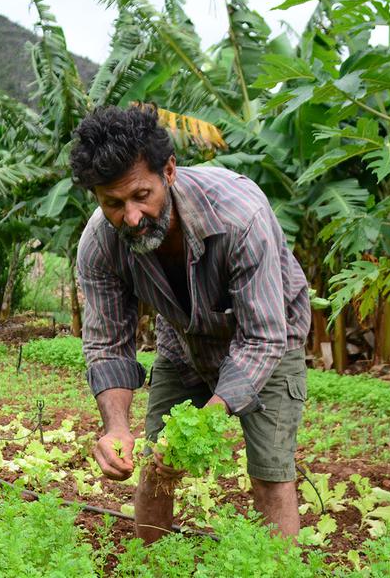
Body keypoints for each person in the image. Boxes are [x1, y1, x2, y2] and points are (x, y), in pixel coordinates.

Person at [71, 105, 311, 543]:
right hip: (182, 340)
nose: (131, 217)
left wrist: (200, 429)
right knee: (155, 466)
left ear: (169, 171)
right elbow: (108, 346)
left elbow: (261, 338)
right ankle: (151, 566)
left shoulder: (239, 216)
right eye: (113, 203)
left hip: (269, 341)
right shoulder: (99, 245)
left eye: (141, 195)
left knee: (269, 475)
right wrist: (116, 429)